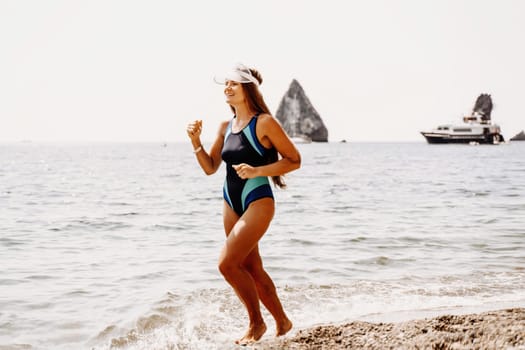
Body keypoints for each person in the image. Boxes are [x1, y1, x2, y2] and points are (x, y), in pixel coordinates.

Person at [186, 63, 301, 345]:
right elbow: (211, 167)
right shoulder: (225, 127)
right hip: (230, 199)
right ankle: (283, 322)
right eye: (225, 84)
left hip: (257, 197)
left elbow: (294, 160)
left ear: (247, 88)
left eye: (233, 84)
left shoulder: (264, 123)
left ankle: (256, 324)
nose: (227, 88)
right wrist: (195, 141)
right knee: (251, 268)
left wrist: (257, 171)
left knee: (227, 264)